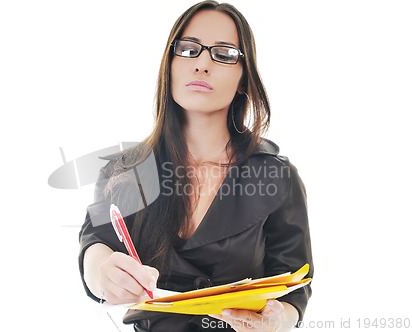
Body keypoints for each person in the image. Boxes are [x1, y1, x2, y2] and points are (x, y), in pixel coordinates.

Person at [79, 1, 313, 331]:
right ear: (170, 64)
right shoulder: (125, 171)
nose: (202, 64)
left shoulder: (277, 176)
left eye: (224, 53)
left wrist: (279, 320)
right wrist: (103, 277)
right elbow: (95, 245)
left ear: (244, 77)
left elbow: (295, 289)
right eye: (189, 50)